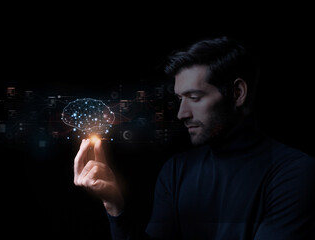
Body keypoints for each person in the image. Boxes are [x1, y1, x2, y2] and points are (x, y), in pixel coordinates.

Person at [73, 36, 315, 240]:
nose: (182, 113)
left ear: (237, 93)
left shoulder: (293, 171)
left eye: (195, 97)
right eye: (181, 98)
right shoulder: (176, 171)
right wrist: (114, 204)